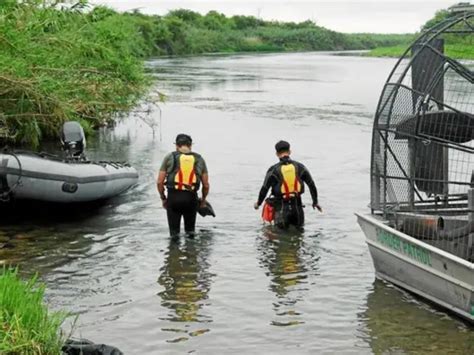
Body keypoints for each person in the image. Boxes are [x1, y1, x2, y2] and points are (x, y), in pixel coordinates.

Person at [254, 140, 322, 229]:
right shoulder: (300, 167)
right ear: (289, 151)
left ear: (277, 154)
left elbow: (264, 189)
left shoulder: (273, 170)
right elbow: (311, 185)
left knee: (281, 239)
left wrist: (258, 203)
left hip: (281, 210)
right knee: (299, 238)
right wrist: (315, 202)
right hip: (297, 210)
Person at [157, 134, 210, 237]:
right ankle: (190, 252)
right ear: (190, 145)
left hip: (173, 199)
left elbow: (159, 182)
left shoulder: (169, 157)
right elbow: (206, 185)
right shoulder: (199, 159)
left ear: (176, 145)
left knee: (174, 235)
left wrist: (163, 199)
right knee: (190, 234)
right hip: (191, 200)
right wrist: (203, 201)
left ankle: (174, 252)